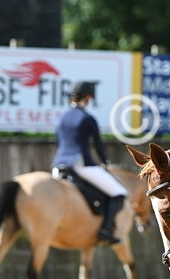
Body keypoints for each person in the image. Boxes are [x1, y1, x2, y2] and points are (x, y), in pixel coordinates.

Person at [52, 81, 128, 244]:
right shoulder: (87, 118)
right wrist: (106, 163)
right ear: (88, 97)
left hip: (58, 166)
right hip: (80, 164)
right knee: (119, 193)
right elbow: (98, 145)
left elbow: (58, 143)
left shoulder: (61, 119)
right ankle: (105, 231)